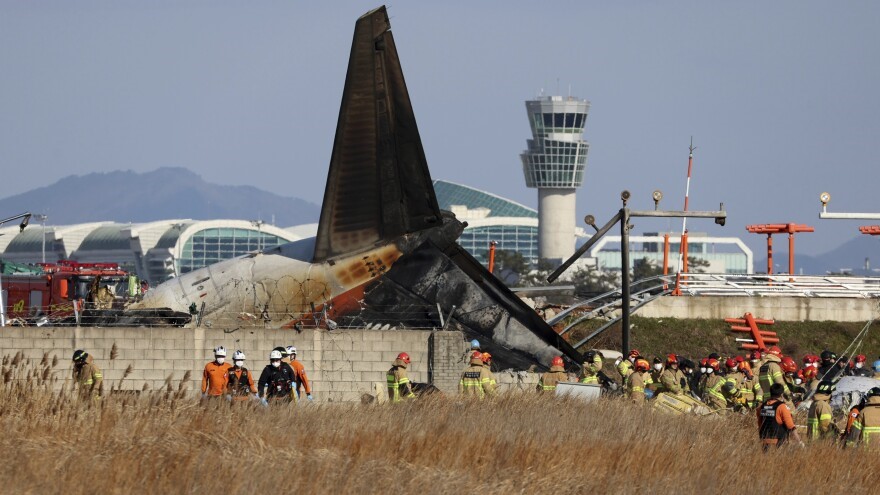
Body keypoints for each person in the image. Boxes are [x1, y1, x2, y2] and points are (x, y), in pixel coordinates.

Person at [758, 383, 804, 451]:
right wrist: (799, 441)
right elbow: (790, 426)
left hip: (764, 441)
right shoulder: (782, 407)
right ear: (782, 394)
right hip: (778, 442)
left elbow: (760, 423)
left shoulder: (762, 406)